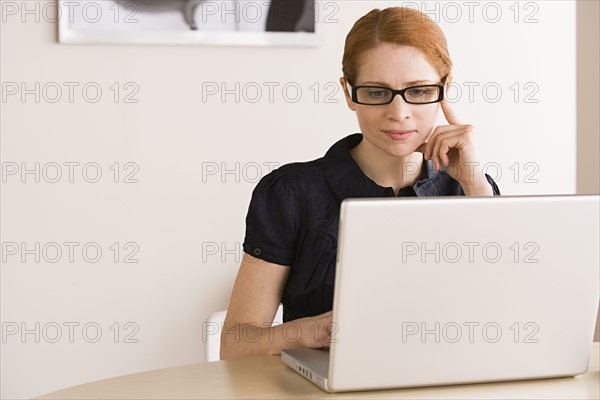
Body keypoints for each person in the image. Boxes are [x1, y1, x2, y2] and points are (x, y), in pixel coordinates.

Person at [220, 6, 501, 360]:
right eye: (376, 92)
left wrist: (476, 186)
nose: (399, 113)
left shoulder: (472, 189)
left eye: (417, 91)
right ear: (349, 92)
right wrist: (312, 330)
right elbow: (234, 344)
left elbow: (504, 318)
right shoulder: (291, 192)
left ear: (444, 89)